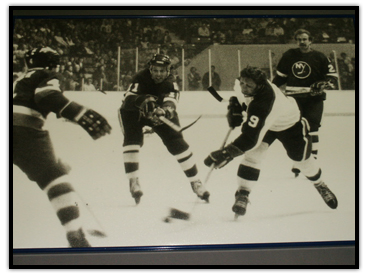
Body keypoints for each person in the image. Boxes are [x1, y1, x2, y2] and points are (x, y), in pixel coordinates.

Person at [204, 66, 338, 217]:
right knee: (253, 156)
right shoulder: (242, 83)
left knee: (301, 159)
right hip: (266, 124)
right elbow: (239, 96)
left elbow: (250, 139)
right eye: (243, 83)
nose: (244, 87)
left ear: (260, 85)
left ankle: (319, 183)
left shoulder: (265, 103)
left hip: (289, 124)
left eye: (249, 85)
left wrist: (226, 153)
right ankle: (243, 193)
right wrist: (234, 105)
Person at [13, 47, 112, 247]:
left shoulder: (19, 80)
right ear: (53, 63)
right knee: (55, 179)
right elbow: (46, 95)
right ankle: (75, 233)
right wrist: (79, 113)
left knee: (53, 170)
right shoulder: (47, 74)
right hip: (24, 131)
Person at [118, 54, 210, 204]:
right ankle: (133, 181)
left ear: (168, 71)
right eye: (155, 70)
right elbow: (127, 100)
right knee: (132, 141)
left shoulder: (171, 83)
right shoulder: (140, 77)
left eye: (162, 71)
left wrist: (164, 111)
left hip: (158, 111)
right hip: (133, 112)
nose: (158, 74)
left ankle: (195, 181)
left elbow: (171, 102)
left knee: (177, 143)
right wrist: (142, 101)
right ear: (150, 69)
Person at [272, 29, 338, 177]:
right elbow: (280, 78)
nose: (302, 42)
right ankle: (300, 160)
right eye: (299, 39)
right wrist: (270, 90)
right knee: (297, 130)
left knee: (312, 128)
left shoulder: (320, 57)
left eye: (305, 39)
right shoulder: (289, 55)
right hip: (294, 99)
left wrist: (324, 84)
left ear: (310, 40)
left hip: (314, 99)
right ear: (296, 41)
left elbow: (332, 77)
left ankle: (311, 160)